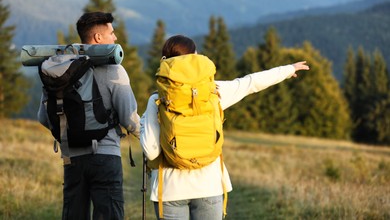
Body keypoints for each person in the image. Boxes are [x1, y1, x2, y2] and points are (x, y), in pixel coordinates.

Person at [140, 34, 309, 220]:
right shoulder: (214, 92)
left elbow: (151, 152)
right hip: (209, 185)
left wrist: (142, 126)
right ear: (196, 58)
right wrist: (286, 70)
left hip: (170, 190)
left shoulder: (157, 100)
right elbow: (249, 83)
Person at [38, 12, 140, 219]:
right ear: (98, 38)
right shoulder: (114, 69)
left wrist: (71, 131)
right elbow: (129, 118)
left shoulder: (60, 69)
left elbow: (43, 117)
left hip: (72, 157)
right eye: (112, 33)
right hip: (105, 155)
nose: (116, 38)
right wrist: (148, 136)